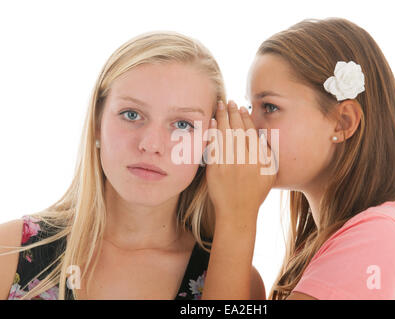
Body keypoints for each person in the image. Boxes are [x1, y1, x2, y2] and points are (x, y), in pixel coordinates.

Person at [0, 31, 265, 300]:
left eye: (182, 124)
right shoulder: (8, 252)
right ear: (97, 123)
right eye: (132, 114)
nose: (151, 144)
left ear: (210, 144)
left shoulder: (236, 281)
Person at [202, 18, 395, 300]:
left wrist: (236, 216)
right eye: (250, 106)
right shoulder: (322, 243)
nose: (248, 125)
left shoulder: (379, 237)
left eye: (270, 107)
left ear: (342, 122)